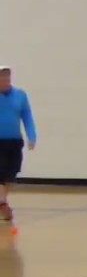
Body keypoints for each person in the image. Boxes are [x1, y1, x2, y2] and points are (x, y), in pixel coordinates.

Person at [0, 65, 37, 226]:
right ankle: (2, 203)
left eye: (7, 76)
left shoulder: (20, 95)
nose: (4, 79)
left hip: (14, 141)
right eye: (1, 76)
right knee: (0, 173)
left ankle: (2, 200)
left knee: (10, 175)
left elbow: (27, 116)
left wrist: (32, 135)